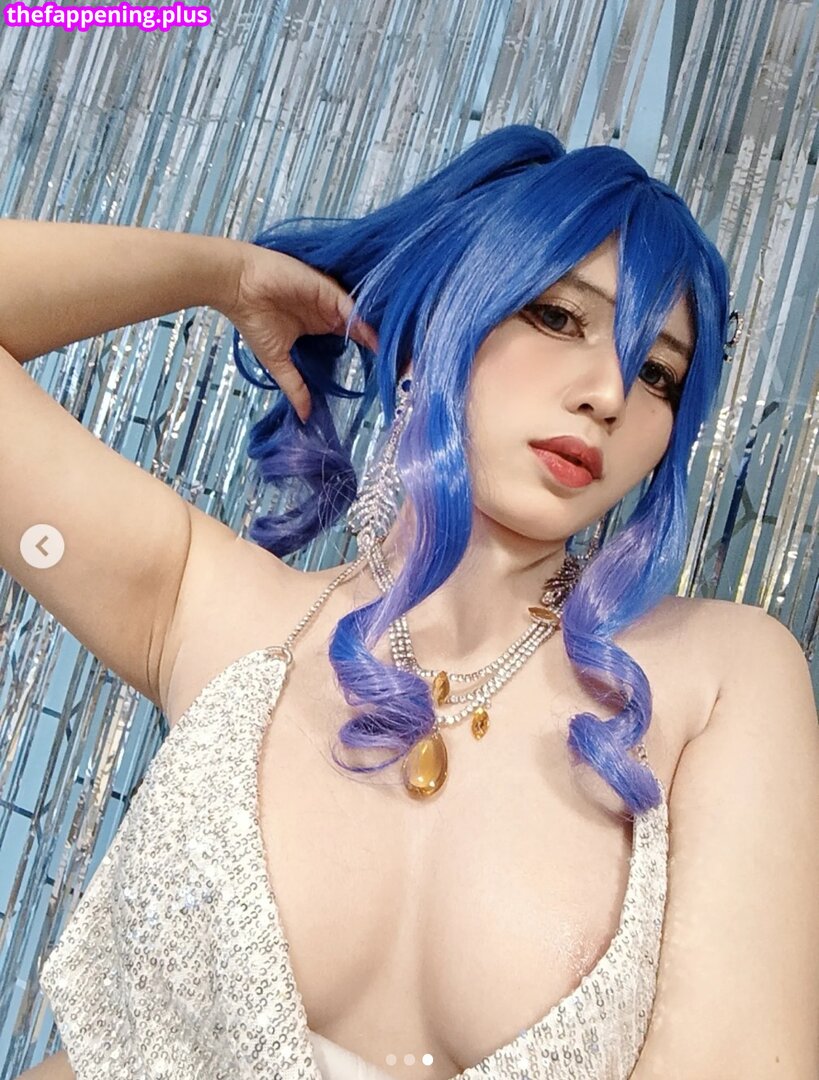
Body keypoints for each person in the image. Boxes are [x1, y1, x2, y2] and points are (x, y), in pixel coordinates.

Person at [5, 126, 817, 1080]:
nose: (608, 393)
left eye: (657, 374)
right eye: (558, 317)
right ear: (437, 324)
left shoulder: (714, 678)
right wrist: (218, 273)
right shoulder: (217, 610)